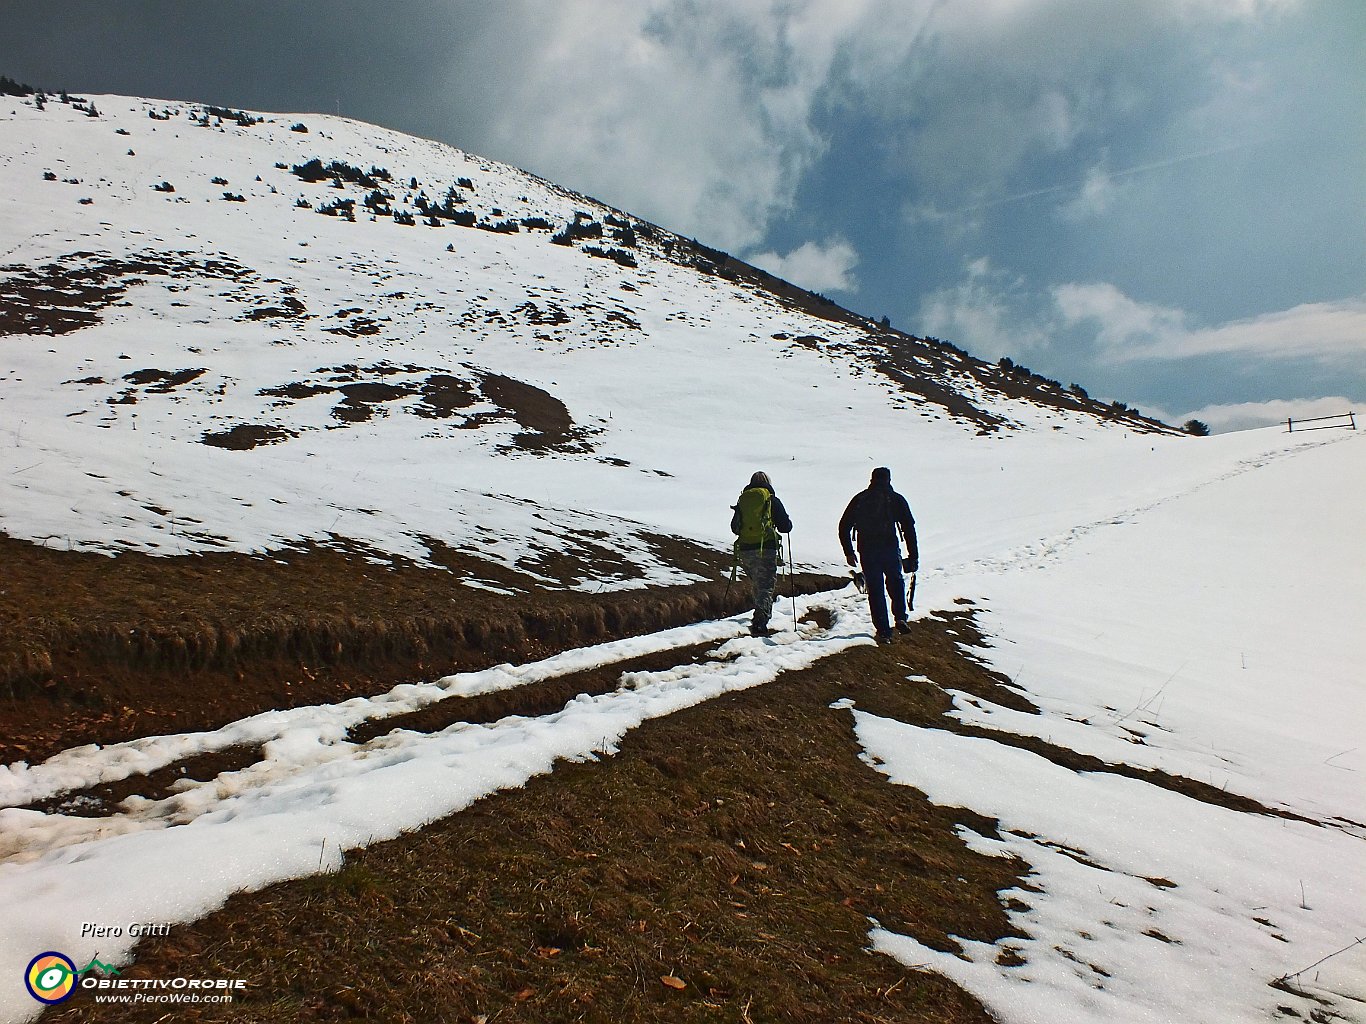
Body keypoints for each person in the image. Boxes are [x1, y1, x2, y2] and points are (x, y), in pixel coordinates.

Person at [838, 467, 918, 645]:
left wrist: (849, 552)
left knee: (875, 589)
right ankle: (900, 617)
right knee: (896, 581)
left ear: (872, 479)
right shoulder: (896, 499)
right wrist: (913, 556)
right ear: (888, 479)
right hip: (889, 547)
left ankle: (883, 631)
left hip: (866, 550)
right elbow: (909, 528)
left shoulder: (860, 499)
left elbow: (844, 526)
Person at [730, 471, 793, 637]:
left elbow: (734, 527)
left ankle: (759, 613)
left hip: (745, 549)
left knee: (758, 584)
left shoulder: (743, 500)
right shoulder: (771, 499)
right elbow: (785, 526)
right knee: (765, 586)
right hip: (766, 548)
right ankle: (760, 622)